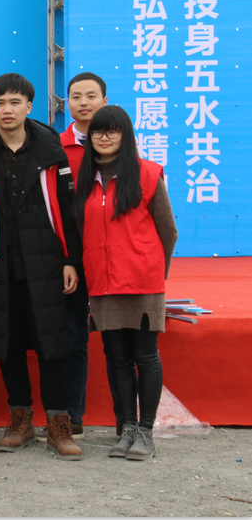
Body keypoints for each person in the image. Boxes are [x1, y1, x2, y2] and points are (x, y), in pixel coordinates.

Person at [0, 73, 83, 461]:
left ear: (29, 106)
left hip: (46, 262)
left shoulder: (50, 149)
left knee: (53, 344)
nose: (7, 109)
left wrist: (70, 260)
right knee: (8, 343)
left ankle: (58, 423)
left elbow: (67, 209)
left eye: (15, 102)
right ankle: (20, 419)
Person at [73, 106, 176, 460]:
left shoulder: (147, 173)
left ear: (126, 135)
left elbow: (168, 231)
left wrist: (154, 274)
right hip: (103, 284)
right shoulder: (85, 178)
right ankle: (127, 427)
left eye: (112, 131)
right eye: (98, 132)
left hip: (142, 283)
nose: (104, 137)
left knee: (145, 356)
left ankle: (146, 432)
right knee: (116, 357)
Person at [43, 71, 110, 442]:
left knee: (110, 339)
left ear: (104, 100)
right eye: (76, 96)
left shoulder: (120, 147)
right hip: (67, 255)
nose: (83, 103)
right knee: (70, 333)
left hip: (108, 256)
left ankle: (125, 420)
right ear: (66, 103)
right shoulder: (56, 147)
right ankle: (69, 413)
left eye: (91, 96)